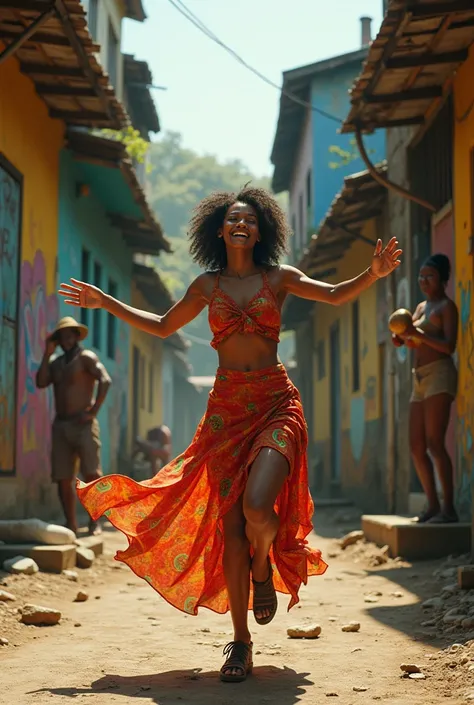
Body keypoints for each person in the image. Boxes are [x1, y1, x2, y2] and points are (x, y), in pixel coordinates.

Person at [58, 187, 401, 682]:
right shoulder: (206, 285)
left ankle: (264, 568)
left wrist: (373, 274)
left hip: (276, 403)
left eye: (250, 220)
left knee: (258, 506)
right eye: (233, 219)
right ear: (219, 231)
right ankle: (240, 643)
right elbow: (160, 325)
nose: (241, 225)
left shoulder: (277, 278)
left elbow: (330, 294)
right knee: (233, 529)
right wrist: (105, 301)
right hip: (225, 413)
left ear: (260, 231)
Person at [391, 253, 458, 524]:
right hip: (418, 377)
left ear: (443, 280)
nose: (423, 281)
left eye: (429, 276)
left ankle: (449, 508)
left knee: (435, 443)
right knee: (416, 446)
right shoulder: (419, 308)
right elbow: (415, 342)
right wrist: (403, 340)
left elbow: (448, 347)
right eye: (421, 276)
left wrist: (417, 335)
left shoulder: (446, 307)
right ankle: (432, 505)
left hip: (440, 375)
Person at [36, 316, 111, 536]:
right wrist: (47, 353)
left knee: (91, 474)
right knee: (62, 477)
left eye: (70, 334)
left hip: (83, 424)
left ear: (77, 336)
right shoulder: (56, 363)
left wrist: (93, 411)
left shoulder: (86, 357)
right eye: (62, 336)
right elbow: (40, 382)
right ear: (57, 340)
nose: (66, 339)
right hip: (61, 425)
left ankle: (94, 521)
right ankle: (71, 525)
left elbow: (105, 380)